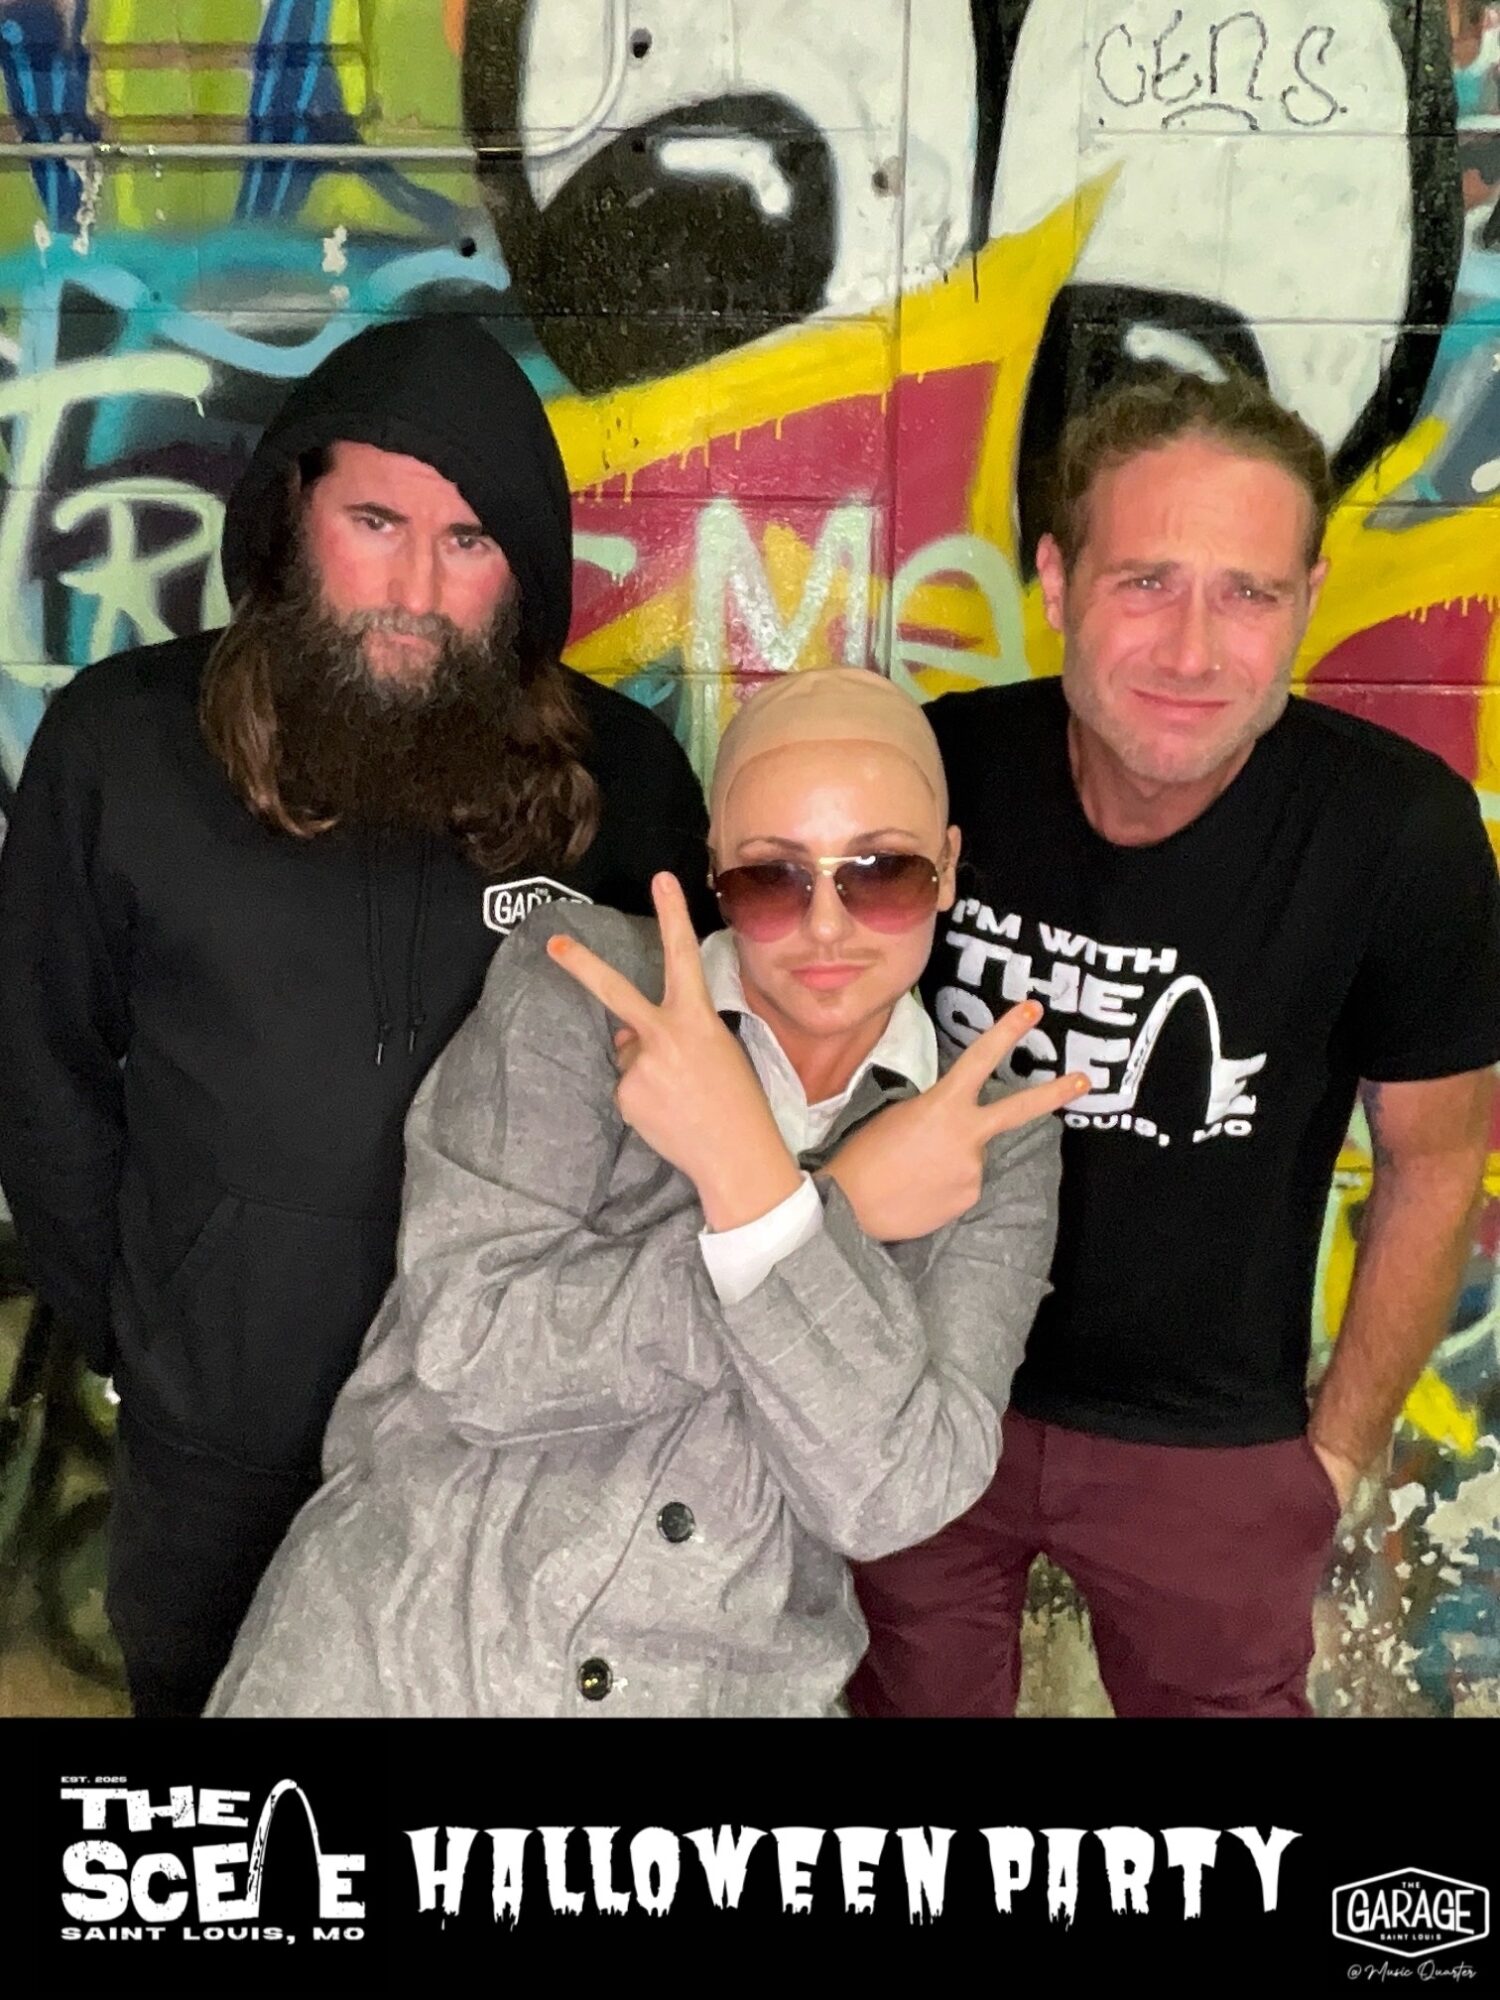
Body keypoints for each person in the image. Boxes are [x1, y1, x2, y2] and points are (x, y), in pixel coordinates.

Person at [0, 315, 712, 1718]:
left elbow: (687, 1115)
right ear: (292, 518)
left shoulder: (624, 782)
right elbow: (40, 1072)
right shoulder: (122, 744)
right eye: (375, 523)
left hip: (503, 1464)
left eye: (468, 541)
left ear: (525, 566)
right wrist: (149, 1331)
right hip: (218, 1449)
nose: (414, 589)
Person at [206, 669, 1083, 1717]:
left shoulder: (996, 1140)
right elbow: (475, 1347)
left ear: (944, 867)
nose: (827, 926)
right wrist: (830, 1205)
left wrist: (751, 1182)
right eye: (773, 878)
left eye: (881, 871)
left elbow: (893, 1494)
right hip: (403, 1656)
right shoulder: (584, 984)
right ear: (715, 869)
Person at [848, 368, 1500, 1719]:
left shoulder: (1400, 833)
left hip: (1215, 1445)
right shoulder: (933, 771)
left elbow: (1437, 1157)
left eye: (1248, 592)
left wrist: (1336, 1456)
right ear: (1056, 581)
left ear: (1309, 598)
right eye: (1146, 581)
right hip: (922, 1399)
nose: (1194, 652)